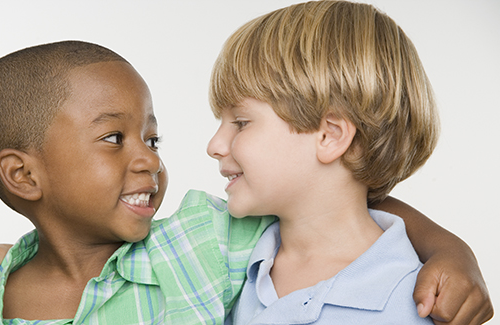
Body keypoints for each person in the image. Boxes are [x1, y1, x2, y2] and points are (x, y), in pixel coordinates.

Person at [0, 39, 492, 325]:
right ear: (23, 175)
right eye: (113, 139)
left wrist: (450, 249)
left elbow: (336, 194)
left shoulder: (203, 242)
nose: (149, 160)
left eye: (152, 140)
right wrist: (10, 260)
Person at [205, 1, 492, 324]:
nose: (214, 146)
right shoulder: (223, 251)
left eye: (241, 122)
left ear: (330, 136)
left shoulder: (415, 303)